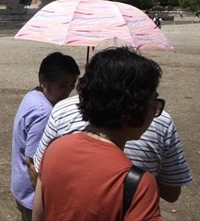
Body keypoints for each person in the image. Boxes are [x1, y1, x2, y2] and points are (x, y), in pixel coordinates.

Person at [32, 47, 164, 221]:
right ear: (134, 107)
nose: (156, 107)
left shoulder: (54, 148)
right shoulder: (137, 184)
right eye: (154, 101)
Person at [33, 97, 193, 203]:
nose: (155, 110)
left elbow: (39, 175)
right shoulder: (141, 183)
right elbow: (172, 193)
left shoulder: (55, 147)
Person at [10, 52, 80, 221]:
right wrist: (44, 200)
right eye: (63, 86)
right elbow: (32, 162)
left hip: (20, 184)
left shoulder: (33, 94)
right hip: (32, 194)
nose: (69, 91)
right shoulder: (45, 112)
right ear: (43, 80)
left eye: (73, 84)